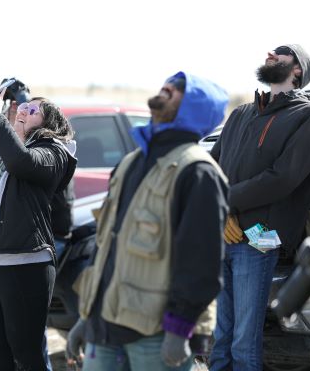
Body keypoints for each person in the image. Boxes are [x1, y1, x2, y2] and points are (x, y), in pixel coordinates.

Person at [67, 72, 229, 370]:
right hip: (104, 326)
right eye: (168, 82)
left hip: (155, 335)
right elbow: (106, 246)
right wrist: (86, 317)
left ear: (196, 107)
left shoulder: (198, 172)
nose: (167, 86)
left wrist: (180, 328)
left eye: (179, 88)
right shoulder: (131, 162)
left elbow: (201, 263)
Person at [0, 86, 77, 371]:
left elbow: (22, 163)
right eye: (23, 107)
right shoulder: (0, 150)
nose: (23, 110)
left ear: (48, 125)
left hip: (25, 266)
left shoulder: (54, 153)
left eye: (33, 111)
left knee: (27, 354)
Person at [209, 44, 310, 370]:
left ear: (297, 70)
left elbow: (282, 178)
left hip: (262, 237)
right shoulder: (240, 113)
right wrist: (220, 211)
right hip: (224, 234)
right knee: (221, 333)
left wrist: (227, 202)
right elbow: (213, 165)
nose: (270, 54)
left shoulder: (306, 116)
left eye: (281, 54)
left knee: (243, 337)